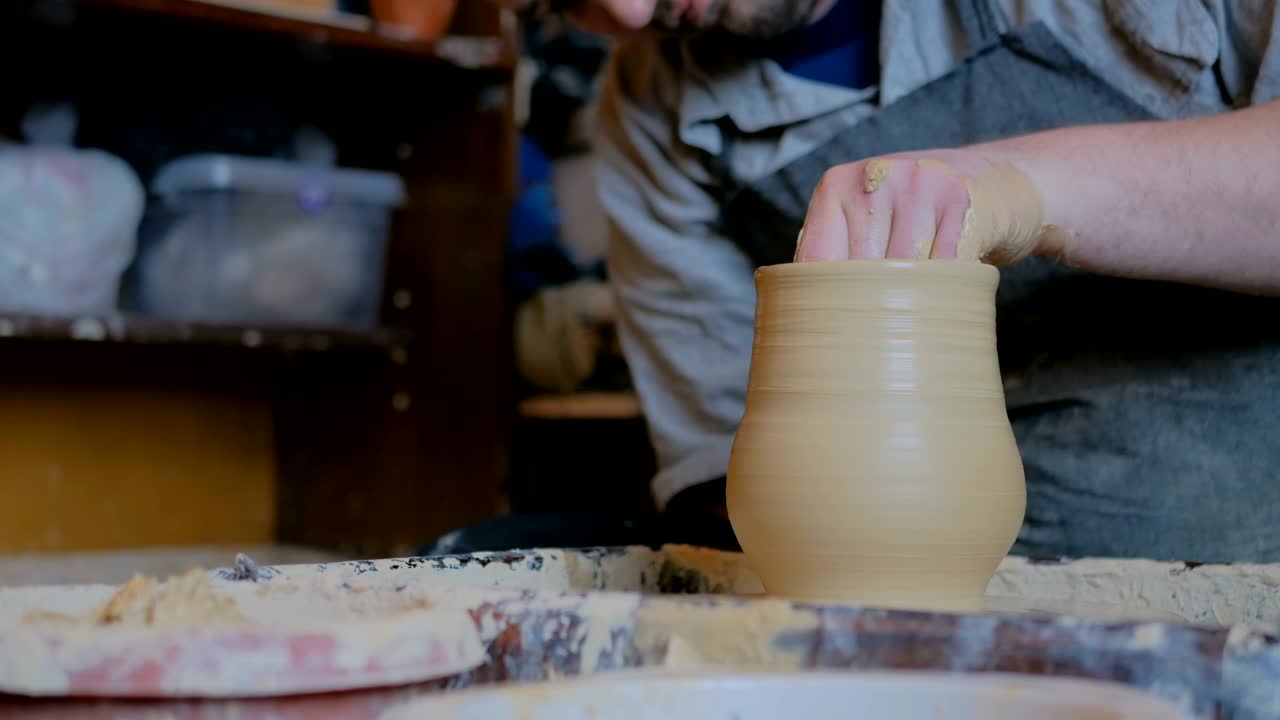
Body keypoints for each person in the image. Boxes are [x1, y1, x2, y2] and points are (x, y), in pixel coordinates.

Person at [490, 0, 1280, 563]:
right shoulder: (649, 110)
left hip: (1242, 578)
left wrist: (1026, 189)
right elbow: (721, 480)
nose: (627, 14)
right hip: (939, 618)